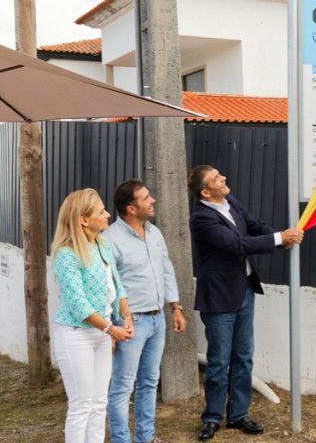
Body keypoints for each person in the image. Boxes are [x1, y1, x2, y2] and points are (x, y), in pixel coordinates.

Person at [187, 165, 304, 441]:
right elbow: (236, 244)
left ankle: (238, 415)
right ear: (205, 192)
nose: (223, 178)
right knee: (218, 361)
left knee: (243, 357)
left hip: (244, 292)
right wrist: (279, 238)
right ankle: (212, 417)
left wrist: (280, 239)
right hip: (218, 298)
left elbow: (255, 225)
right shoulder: (201, 218)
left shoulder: (231, 202)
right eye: (216, 178)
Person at [104, 179, 187, 443]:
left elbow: (166, 269)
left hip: (157, 319)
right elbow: (108, 287)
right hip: (130, 323)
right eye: (146, 197)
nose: (152, 201)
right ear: (131, 207)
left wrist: (175, 308)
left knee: (150, 382)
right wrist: (110, 328)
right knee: (122, 387)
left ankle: (146, 437)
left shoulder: (154, 232)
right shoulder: (109, 240)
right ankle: (121, 440)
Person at [51, 188, 134, 443]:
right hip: (76, 336)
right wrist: (110, 329)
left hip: (100, 334)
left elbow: (117, 285)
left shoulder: (102, 245)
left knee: (99, 403)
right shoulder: (66, 254)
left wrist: (126, 314)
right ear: (83, 220)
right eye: (101, 211)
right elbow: (78, 304)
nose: (108, 214)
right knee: (81, 405)